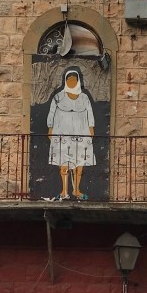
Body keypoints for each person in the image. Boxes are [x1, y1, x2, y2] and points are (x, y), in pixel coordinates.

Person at [46, 67, 95, 200]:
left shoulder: (84, 98)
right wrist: (50, 128)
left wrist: (91, 129)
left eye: (74, 80)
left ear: (78, 81)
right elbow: (51, 113)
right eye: (69, 80)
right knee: (64, 163)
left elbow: (90, 114)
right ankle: (64, 191)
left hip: (81, 133)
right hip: (62, 134)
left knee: (79, 164)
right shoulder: (58, 97)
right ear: (65, 81)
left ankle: (76, 190)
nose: (72, 82)